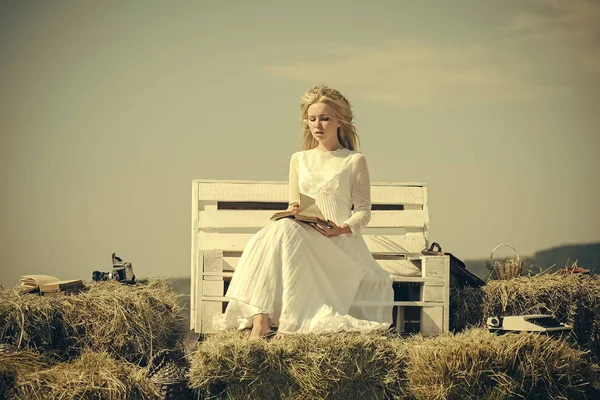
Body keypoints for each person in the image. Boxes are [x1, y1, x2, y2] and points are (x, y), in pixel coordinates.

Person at [214, 84, 394, 340]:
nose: (317, 125)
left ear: (339, 121)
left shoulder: (354, 161)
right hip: (304, 236)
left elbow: (364, 212)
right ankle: (261, 321)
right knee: (278, 229)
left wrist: (340, 228)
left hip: (340, 243)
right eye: (312, 119)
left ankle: (285, 324)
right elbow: (293, 205)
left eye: (324, 118)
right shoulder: (299, 159)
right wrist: (294, 211)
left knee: (281, 233)